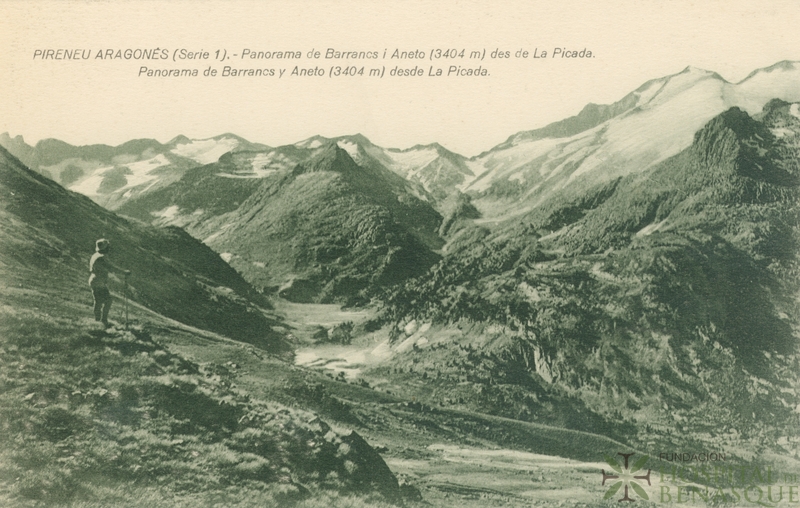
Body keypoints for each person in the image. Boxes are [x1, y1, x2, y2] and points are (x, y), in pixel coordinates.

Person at [88, 238, 130, 327]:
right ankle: (103, 321)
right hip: (99, 282)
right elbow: (111, 267)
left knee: (98, 301)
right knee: (108, 300)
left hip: (95, 280)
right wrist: (124, 272)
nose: (109, 248)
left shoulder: (96, 255)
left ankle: (98, 320)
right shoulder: (101, 257)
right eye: (107, 247)